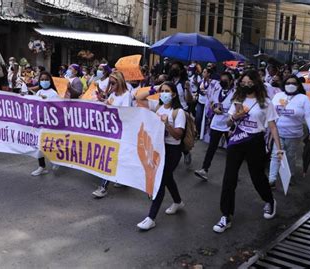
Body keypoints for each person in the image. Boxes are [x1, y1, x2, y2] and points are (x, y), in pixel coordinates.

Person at [213, 70, 282, 233]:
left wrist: (279, 148)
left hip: (255, 141)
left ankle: (269, 200)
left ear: (256, 83)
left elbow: (272, 126)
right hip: (237, 140)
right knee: (229, 177)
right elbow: (229, 123)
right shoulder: (238, 99)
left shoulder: (265, 102)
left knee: (257, 176)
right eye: (243, 82)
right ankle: (226, 215)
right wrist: (236, 116)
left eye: (249, 82)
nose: (246, 85)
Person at [137, 81, 186, 231]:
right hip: (159, 148)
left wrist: (167, 124)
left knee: (161, 180)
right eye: (162, 91)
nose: (164, 93)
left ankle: (151, 217)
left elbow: (178, 135)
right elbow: (139, 98)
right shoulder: (157, 106)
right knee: (167, 177)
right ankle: (178, 201)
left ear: (174, 94)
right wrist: (155, 89)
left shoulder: (178, 112)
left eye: (167, 91)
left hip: (172, 150)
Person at [269, 75, 310, 187]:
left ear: (298, 85)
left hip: (294, 134)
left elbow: (309, 115)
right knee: (276, 155)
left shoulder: (303, 98)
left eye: (294, 83)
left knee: (290, 156)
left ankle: (290, 176)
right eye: (288, 83)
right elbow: (270, 112)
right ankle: (272, 179)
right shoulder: (278, 96)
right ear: (284, 84)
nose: (290, 85)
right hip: (278, 132)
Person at [92, 71, 133, 198]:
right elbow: (108, 106)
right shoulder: (113, 95)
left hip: (121, 132)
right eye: (110, 83)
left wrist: (109, 105)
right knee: (114, 157)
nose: (111, 85)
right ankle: (123, 180)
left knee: (110, 158)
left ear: (120, 82)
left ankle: (103, 187)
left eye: (113, 83)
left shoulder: (127, 95)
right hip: (110, 130)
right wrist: (103, 101)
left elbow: (125, 113)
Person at [194, 72, 235, 181]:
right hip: (216, 123)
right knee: (211, 148)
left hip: (228, 124)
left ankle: (232, 171)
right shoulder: (217, 91)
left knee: (231, 150)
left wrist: (232, 120)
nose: (223, 82)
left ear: (231, 81)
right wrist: (213, 108)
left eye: (225, 80)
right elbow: (211, 102)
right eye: (222, 80)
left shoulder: (235, 94)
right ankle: (204, 169)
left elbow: (237, 108)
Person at [31, 71, 60, 176]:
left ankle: (56, 160)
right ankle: (42, 166)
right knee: (39, 146)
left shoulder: (53, 93)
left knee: (50, 145)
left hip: (50, 124)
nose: (44, 81)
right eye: (42, 79)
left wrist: (47, 102)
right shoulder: (38, 92)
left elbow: (58, 109)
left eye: (46, 79)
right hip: (39, 123)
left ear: (50, 81)